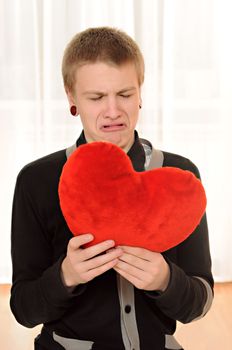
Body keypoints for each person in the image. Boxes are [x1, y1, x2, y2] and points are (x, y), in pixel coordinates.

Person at [10, 27, 214, 350]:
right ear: (71, 97)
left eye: (125, 94)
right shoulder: (37, 181)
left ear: (140, 93)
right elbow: (23, 309)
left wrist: (165, 280)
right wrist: (66, 276)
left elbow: (200, 302)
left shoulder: (180, 177)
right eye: (96, 97)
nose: (113, 111)